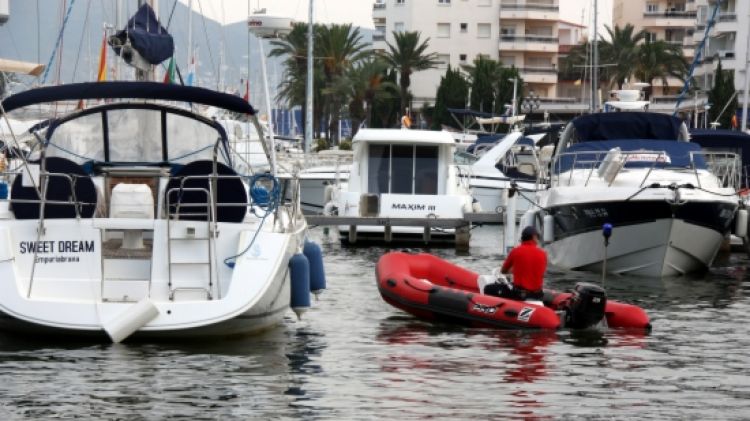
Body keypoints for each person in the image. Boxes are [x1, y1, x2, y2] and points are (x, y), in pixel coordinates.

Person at [485, 226, 547, 300]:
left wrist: (514, 271)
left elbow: (503, 271)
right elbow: (539, 273)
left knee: (488, 288)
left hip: (520, 295)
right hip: (538, 294)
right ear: (534, 237)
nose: (538, 239)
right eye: (538, 236)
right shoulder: (543, 254)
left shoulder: (516, 251)